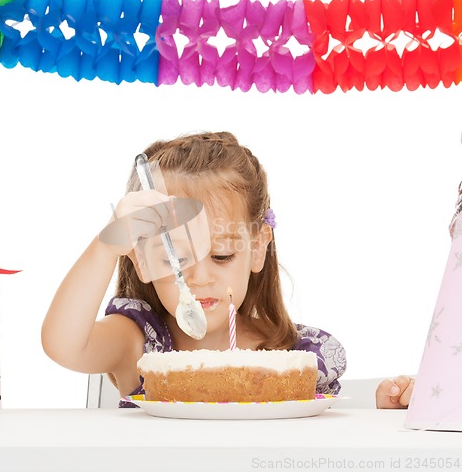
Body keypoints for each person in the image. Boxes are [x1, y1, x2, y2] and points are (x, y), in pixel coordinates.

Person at [42, 131, 346, 407]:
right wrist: (106, 246)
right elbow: (65, 346)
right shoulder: (137, 343)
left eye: (222, 255)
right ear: (142, 261)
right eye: (173, 260)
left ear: (257, 249)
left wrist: (385, 408)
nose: (199, 278)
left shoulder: (294, 358)